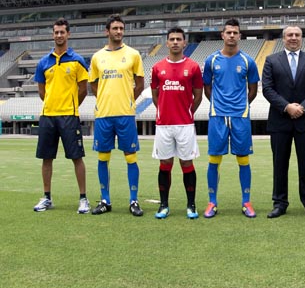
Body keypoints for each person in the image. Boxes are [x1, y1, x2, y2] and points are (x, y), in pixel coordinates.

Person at [262, 25, 305, 218]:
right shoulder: (271, 60)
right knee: (279, 164)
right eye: (290, 35)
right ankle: (280, 203)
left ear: (301, 38)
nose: (293, 38)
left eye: (297, 35)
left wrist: (303, 107)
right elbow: (267, 88)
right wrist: (287, 106)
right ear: (283, 38)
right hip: (280, 121)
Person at [202, 18, 260, 218]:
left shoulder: (247, 61)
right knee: (214, 159)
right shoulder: (211, 60)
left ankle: (246, 202)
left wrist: (240, 106)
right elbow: (207, 88)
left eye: (235, 33)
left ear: (240, 36)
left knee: (243, 159)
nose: (232, 36)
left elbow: (253, 90)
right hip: (217, 115)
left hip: (240, 116)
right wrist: (218, 104)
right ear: (222, 35)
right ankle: (212, 202)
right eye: (229, 32)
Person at [89, 14, 145, 216]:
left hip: (125, 114)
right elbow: (93, 84)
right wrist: (104, 97)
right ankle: (105, 200)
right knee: (103, 157)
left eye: (121, 28)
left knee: (131, 157)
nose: (119, 31)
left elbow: (140, 84)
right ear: (107, 31)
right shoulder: (97, 57)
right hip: (104, 114)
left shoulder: (133, 54)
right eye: (115, 28)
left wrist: (128, 99)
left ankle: (133, 200)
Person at [32, 18, 90, 214]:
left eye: (62, 32)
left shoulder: (77, 60)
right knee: (46, 158)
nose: (59, 35)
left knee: (77, 157)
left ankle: (83, 199)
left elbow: (83, 89)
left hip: (69, 116)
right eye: (56, 32)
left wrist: (70, 106)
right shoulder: (43, 62)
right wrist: (53, 105)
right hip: (48, 116)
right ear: (52, 34)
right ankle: (47, 197)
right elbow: (42, 91)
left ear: (68, 34)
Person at [151, 27, 203, 219]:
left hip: (185, 124)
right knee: (165, 164)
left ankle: (191, 205)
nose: (175, 42)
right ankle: (164, 205)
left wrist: (188, 111)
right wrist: (163, 109)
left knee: (186, 162)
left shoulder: (194, 67)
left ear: (184, 43)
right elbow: (156, 95)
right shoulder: (157, 68)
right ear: (167, 42)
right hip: (163, 124)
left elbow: (198, 95)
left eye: (178, 39)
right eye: (171, 39)